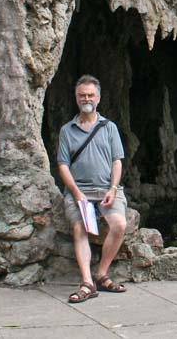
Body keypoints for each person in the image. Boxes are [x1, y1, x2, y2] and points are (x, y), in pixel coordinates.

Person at [57, 74, 128, 303]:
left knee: (119, 225)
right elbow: (63, 165)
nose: (86, 98)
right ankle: (87, 282)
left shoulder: (109, 128)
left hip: (106, 190)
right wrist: (77, 193)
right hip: (79, 192)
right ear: (76, 98)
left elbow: (117, 161)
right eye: (82, 95)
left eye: (90, 95)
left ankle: (101, 274)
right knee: (79, 228)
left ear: (98, 98)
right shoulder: (67, 130)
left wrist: (113, 188)